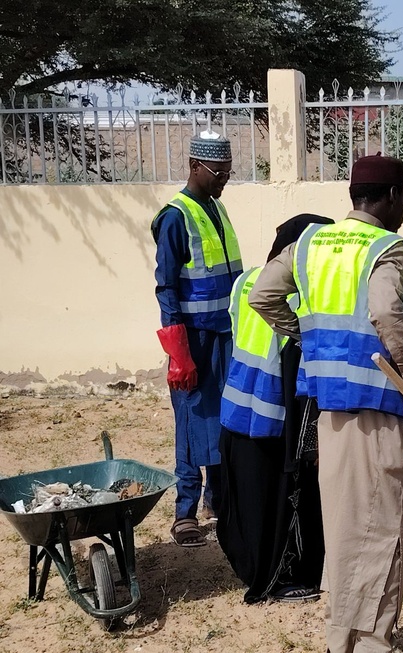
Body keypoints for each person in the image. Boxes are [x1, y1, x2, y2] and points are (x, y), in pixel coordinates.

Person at [248, 154, 403, 652]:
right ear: (393, 196)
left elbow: (262, 294)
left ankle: (342, 639)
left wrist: (308, 338)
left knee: (347, 524)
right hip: (383, 406)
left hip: (331, 409)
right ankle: (374, 643)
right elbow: (384, 310)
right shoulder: (388, 247)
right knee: (387, 527)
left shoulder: (309, 242)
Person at [217, 214, 331, 603]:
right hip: (275, 415)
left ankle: (250, 568)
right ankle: (277, 579)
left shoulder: (244, 281)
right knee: (280, 500)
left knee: (247, 500)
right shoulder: (299, 294)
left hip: (237, 407)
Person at [152, 131, 243, 547]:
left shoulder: (216, 208)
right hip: (193, 339)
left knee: (225, 417)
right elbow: (166, 286)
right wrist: (177, 352)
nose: (224, 178)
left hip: (225, 334)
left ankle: (217, 498)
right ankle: (184, 512)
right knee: (192, 420)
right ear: (194, 166)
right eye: (217, 171)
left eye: (227, 170)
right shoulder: (176, 216)